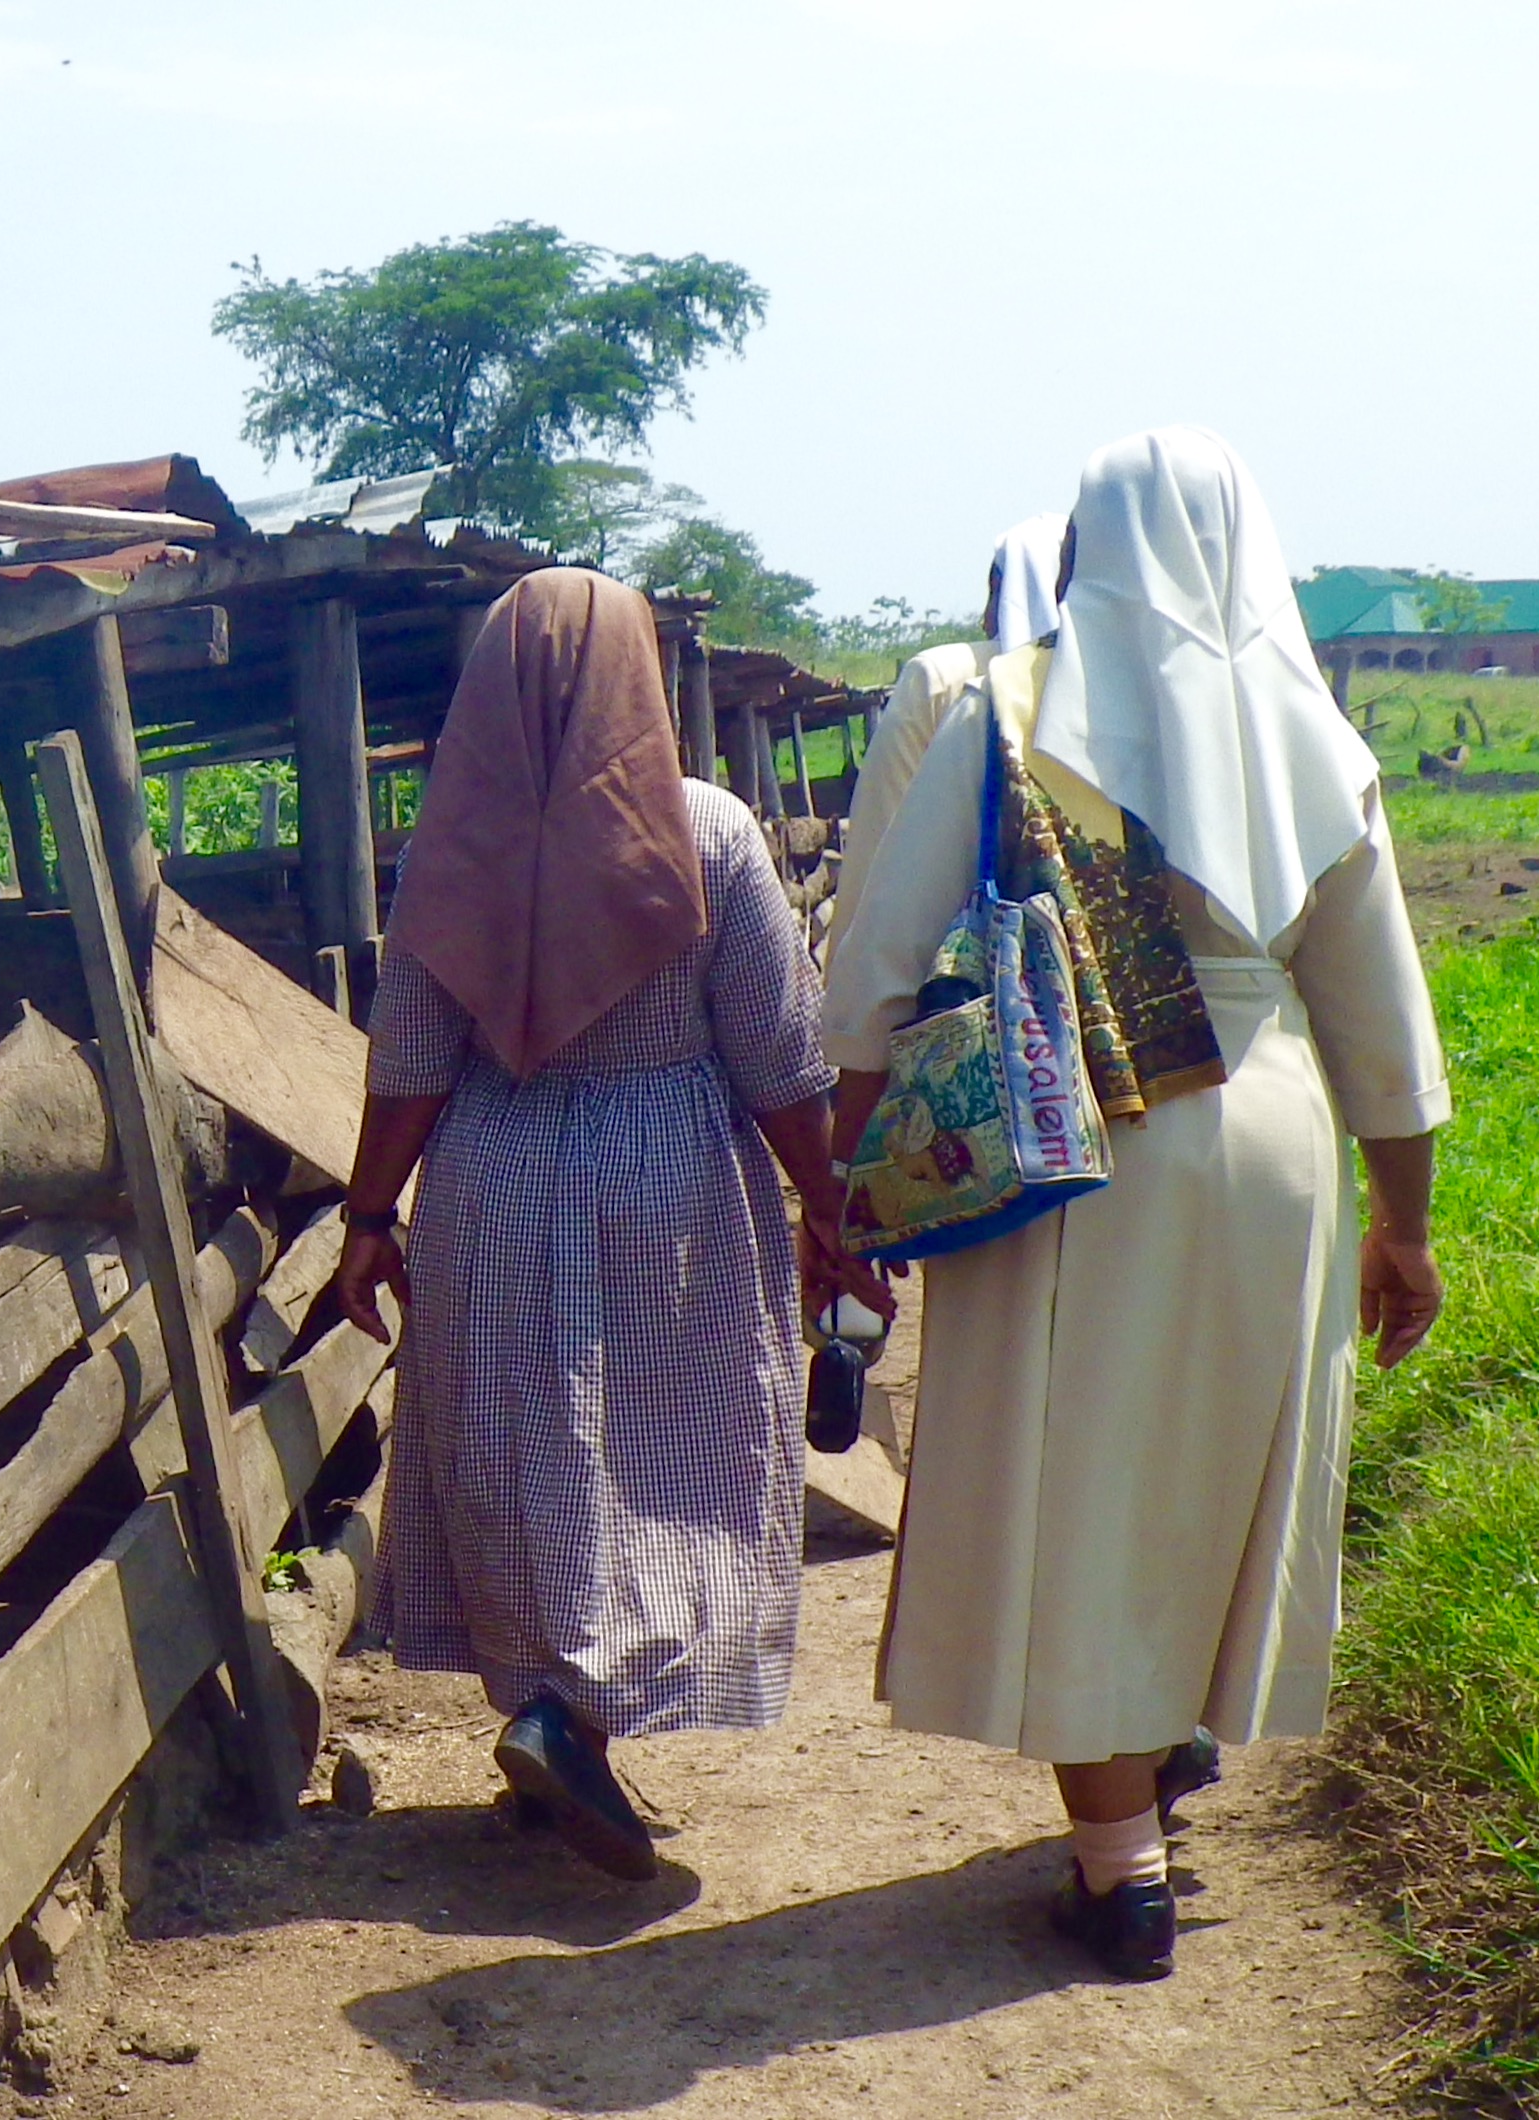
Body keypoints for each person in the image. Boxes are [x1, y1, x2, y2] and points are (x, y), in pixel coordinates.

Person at [821, 428, 1449, 1980]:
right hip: (1276, 1141)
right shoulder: (1318, 743)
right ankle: (1171, 1746)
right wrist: (1403, 1229)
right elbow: (1386, 1032)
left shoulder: (1015, 715)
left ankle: (1120, 1872)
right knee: (1214, 1478)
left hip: (1075, 1135)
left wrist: (848, 1171)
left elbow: (871, 967)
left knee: (1077, 1490)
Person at [333, 567, 892, 1881]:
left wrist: (367, 1217)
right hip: (672, 1183)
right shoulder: (706, 833)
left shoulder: (445, 845)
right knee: (668, 1452)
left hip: (493, 1181)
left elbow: (407, 1056)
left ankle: (548, 1713)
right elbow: (777, 1053)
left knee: (526, 1444)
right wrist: (830, 1213)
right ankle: (567, 1715)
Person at [821, 515, 1070, 969]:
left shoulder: (939, 680)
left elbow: (874, 863)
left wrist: (845, 1005)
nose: (983, 618)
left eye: (996, 593)